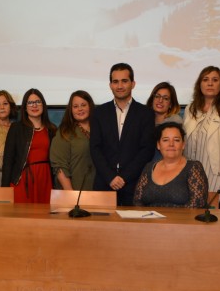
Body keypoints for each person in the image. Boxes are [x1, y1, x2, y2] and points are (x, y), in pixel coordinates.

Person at [90, 63, 155, 206]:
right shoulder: (99, 113)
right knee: (101, 227)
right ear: (110, 85)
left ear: (133, 84)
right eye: (115, 82)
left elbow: (147, 150)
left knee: (133, 228)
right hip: (104, 183)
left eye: (124, 81)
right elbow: (95, 148)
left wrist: (124, 177)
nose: (120, 86)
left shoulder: (146, 114)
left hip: (134, 184)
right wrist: (111, 177)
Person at [183, 66, 220, 208]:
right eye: (205, 80)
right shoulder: (190, 109)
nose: (210, 83)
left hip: (217, 178)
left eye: (215, 80)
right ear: (200, 84)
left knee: (214, 224)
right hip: (191, 177)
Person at [134, 122, 208, 208]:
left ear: (183, 144)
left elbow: (197, 204)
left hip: (181, 220)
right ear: (158, 145)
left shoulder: (194, 167)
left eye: (176, 140)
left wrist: (168, 218)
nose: (171, 144)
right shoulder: (149, 167)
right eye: (165, 140)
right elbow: (137, 201)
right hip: (149, 220)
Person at [1, 88, 57, 203]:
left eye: (37, 102)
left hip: (45, 178)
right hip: (22, 180)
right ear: (25, 107)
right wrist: (5, 190)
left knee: (44, 217)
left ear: (43, 105)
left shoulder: (52, 129)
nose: (34, 105)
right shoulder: (16, 128)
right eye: (30, 102)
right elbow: (8, 161)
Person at [50, 90, 96, 190]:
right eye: (75, 106)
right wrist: (70, 193)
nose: (80, 109)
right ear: (71, 110)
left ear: (90, 106)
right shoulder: (65, 132)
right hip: (74, 191)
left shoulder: (100, 129)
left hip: (100, 190)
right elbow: (59, 166)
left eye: (83, 105)